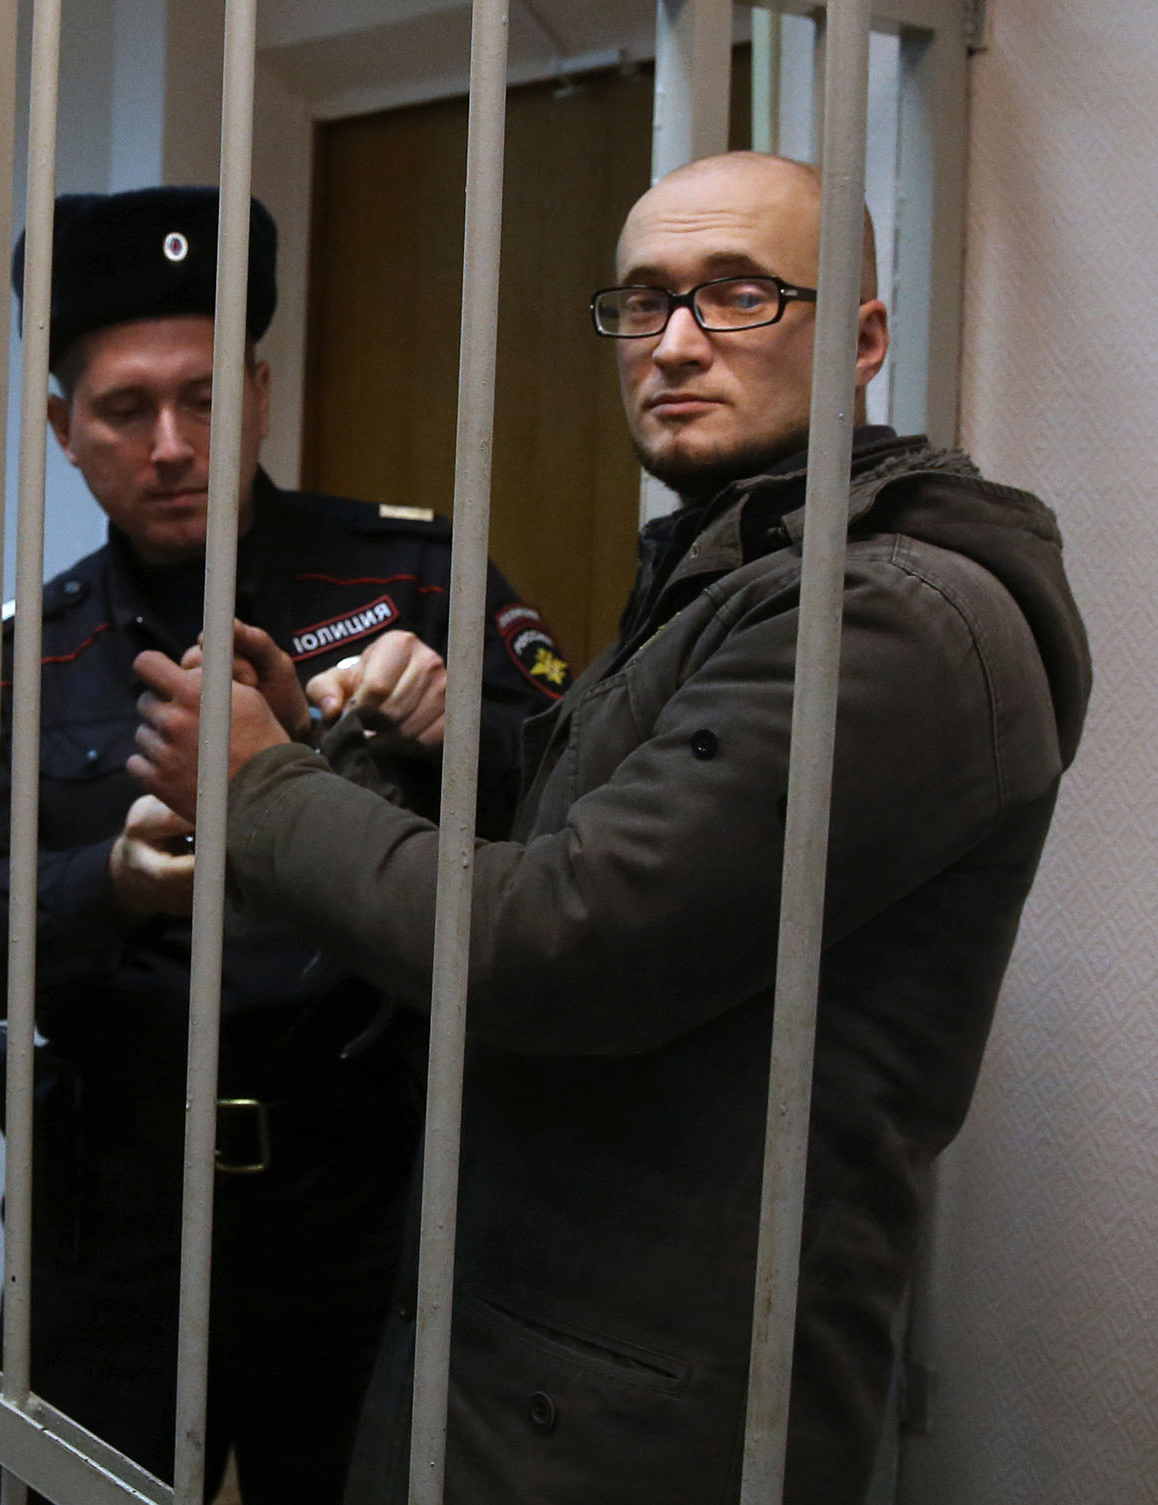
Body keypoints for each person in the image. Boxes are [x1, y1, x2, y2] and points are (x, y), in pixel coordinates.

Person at [131, 153, 1092, 1505]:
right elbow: (586, 854)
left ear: (864, 340)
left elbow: (561, 944)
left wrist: (262, 789)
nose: (677, 342)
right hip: (544, 1347)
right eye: (645, 301)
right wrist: (373, 759)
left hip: (641, 1404)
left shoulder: (881, 620)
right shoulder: (738, 573)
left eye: (741, 295)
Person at [0, 185, 568, 1504]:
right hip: (112, 1215)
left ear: (259, 397)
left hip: (366, 1202)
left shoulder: (413, 581)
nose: (173, 444)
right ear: (63, 431)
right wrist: (111, 885)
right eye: (126, 410)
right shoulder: (23, 657)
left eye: (205, 397)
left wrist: (454, 740)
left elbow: (577, 831)